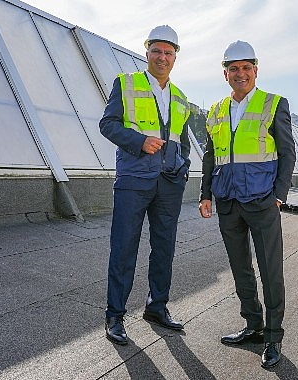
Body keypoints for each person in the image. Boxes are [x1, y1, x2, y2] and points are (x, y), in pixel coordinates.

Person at [199, 40, 296, 368]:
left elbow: (287, 152)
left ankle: (273, 336)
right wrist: (205, 194)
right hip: (227, 201)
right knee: (241, 269)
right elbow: (211, 155)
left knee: (271, 271)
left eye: (246, 68)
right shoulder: (214, 111)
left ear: (256, 71)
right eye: (234, 69)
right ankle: (252, 325)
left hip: (261, 199)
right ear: (225, 73)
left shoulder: (274, 104)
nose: (240, 74)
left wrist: (279, 194)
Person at [99, 25, 191, 345]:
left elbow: (183, 142)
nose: (162, 57)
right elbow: (107, 125)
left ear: (175, 57)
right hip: (134, 179)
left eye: (169, 52)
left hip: (168, 184)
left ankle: (157, 307)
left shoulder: (180, 97)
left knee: (164, 248)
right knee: (124, 247)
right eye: (157, 51)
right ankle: (115, 315)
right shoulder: (126, 84)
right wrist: (139, 141)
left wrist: (183, 171)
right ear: (147, 52)